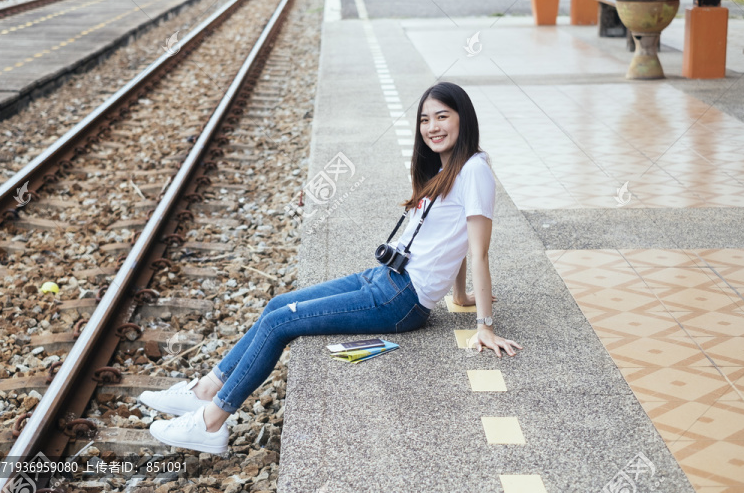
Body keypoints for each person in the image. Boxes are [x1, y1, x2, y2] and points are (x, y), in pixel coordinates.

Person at [139, 81, 522, 453]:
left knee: (279, 324)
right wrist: (459, 295)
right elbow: (450, 243)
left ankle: (211, 422)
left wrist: (484, 327)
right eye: (424, 120)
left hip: (401, 300)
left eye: (442, 117)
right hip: (385, 277)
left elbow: (479, 250)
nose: (432, 127)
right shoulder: (448, 170)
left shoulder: (474, 170)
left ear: (463, 119)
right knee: (278, 304)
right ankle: (206, 390)